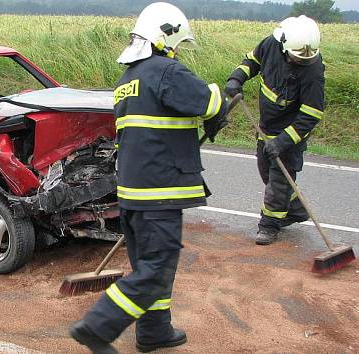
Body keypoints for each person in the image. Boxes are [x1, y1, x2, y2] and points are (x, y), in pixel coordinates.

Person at [69, 3, 229, 353]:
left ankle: (155, 331)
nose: (177, 50)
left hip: (132, 193)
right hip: (159, 192)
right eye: (176, 43)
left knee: (151, 264)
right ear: (166, 36)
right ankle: (97, 327)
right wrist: (226, 94)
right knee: (156, 269)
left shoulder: (127, 80)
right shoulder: (166, 72)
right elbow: (208, 101)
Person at [224, 15, 324, 245]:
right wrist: (236, 78)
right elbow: (251, 61)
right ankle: (296, 209)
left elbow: (311, 115)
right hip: (265, 127)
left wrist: (282, 142)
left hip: (290, 135)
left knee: (278, 181)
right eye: (296, 58)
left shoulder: (313, 70)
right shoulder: (270, 44)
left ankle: (269, 225)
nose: (301, 62)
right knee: (267, 173)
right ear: (284, 45)